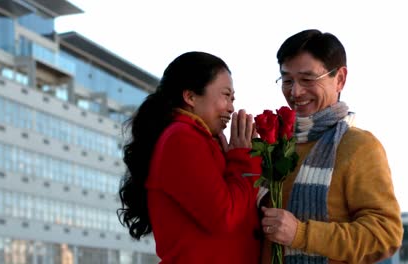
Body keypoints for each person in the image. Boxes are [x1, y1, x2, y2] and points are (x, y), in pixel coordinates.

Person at [259, 29, 403, 263]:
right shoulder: (274, 145)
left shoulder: (359, 146)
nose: (295, 92)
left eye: (307, 79)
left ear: (340, 79)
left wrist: (301, 234)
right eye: (287, 80)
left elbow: (385, 236)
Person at [118, 51, 263, 263]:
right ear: (191, 97)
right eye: (225, 95)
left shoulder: (199, 139)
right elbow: (224, 216)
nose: (231, 107)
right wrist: (241, 158)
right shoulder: (182, 138)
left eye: (233, 98)